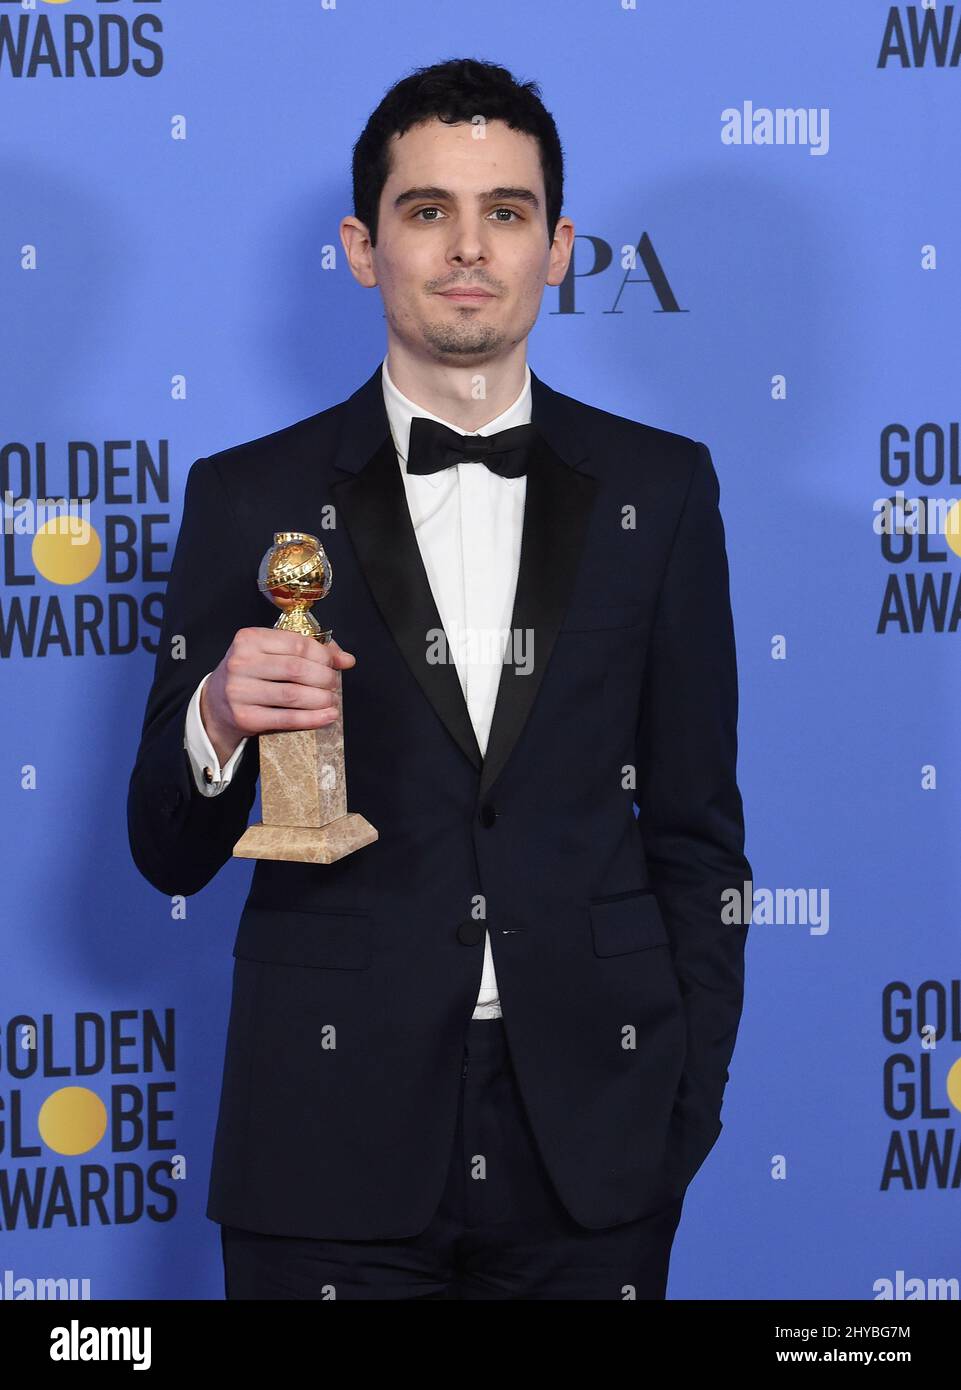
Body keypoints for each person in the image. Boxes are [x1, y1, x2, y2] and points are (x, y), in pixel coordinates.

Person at [127, 56, 752, 1301]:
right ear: (364, 247)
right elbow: (166, 846)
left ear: (559, 246)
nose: (469, 248)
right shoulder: (245, 495)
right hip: (321, 1139)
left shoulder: (661, 490)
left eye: (505, 212)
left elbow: (698, 835)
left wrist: (679, 1106)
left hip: (590, 1140)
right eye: (428, 211)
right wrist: (216, 716)